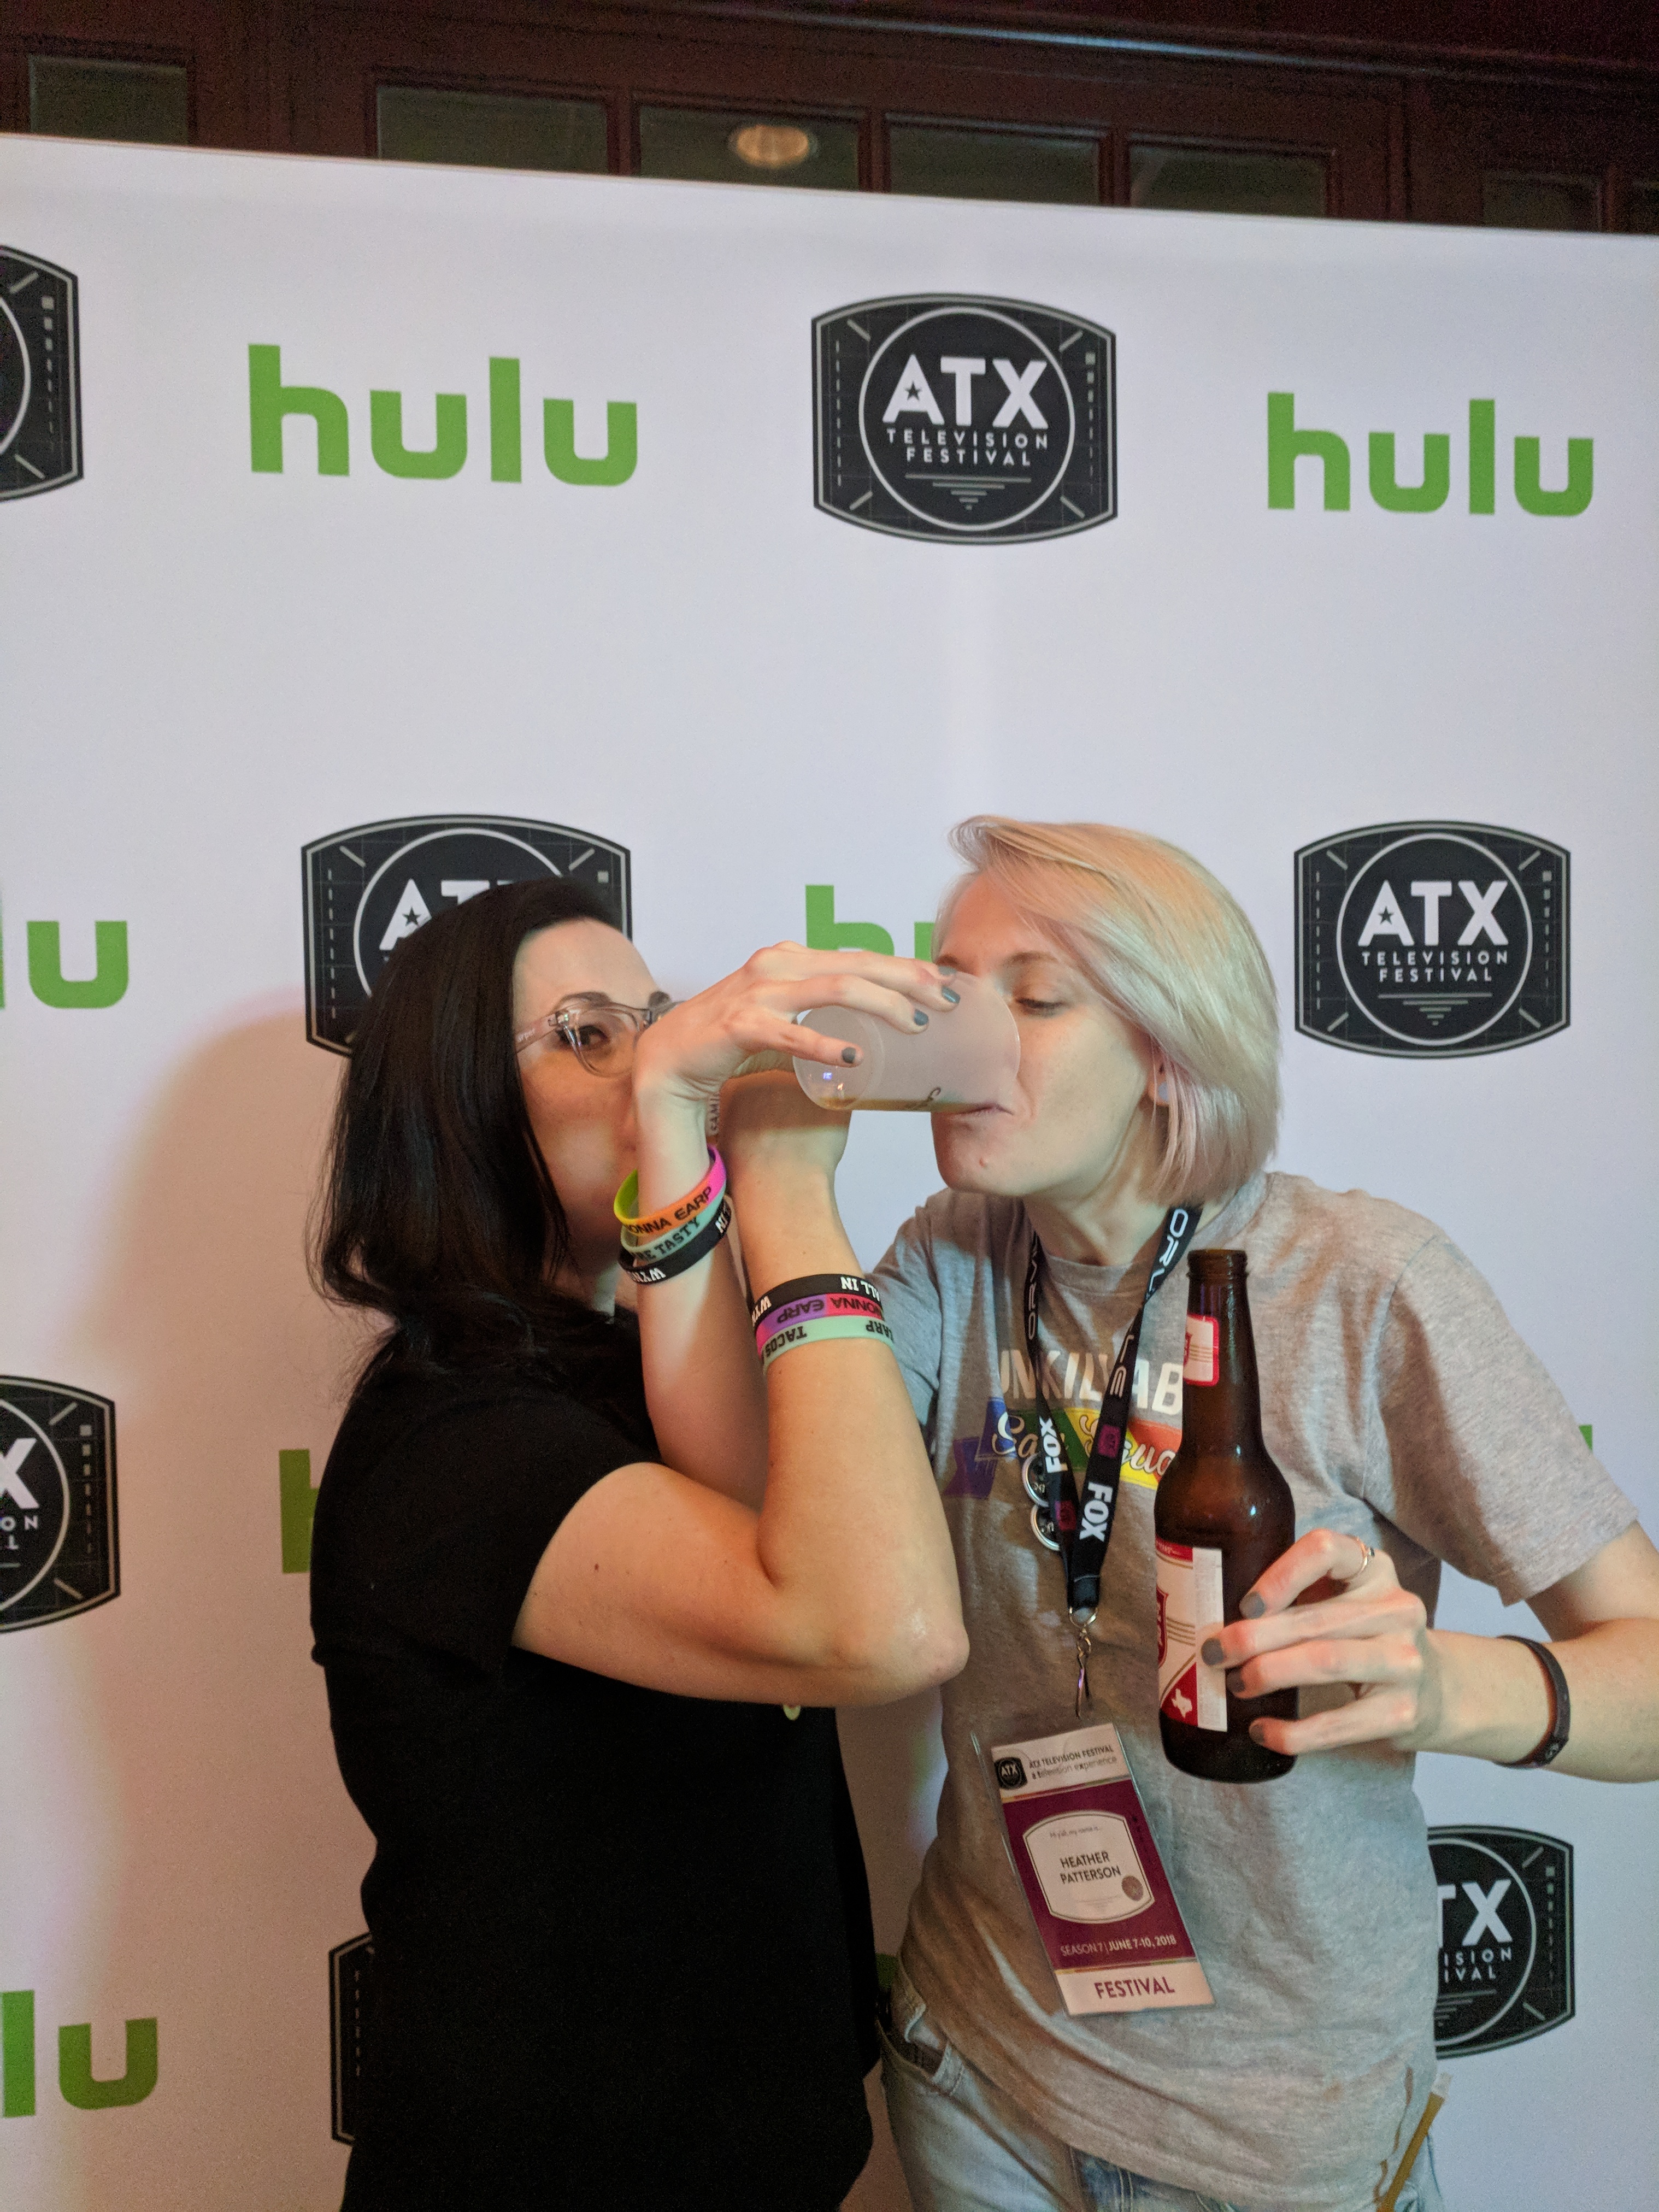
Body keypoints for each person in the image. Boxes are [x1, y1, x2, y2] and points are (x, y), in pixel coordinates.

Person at [872, 817, 1659, 2212]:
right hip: (982, 2064)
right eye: (948, 992)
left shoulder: (1362, 1281)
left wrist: (1449, 1685)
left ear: (1170, 1057)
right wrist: (749, 1158)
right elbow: (776, 1499)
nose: (966, 1037)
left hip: (1271, 2136)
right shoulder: (954, 1255)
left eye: (1036, 998)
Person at [307, 876, 968, 2211]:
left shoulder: (624, 1364)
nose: (665, 1056)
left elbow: (764, 1513)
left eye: (659, 1020)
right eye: (587, 1032)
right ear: (454, 1103)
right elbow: (876, 1627)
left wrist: (706, 1179)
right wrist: (784, 1191)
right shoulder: (457, 1437)